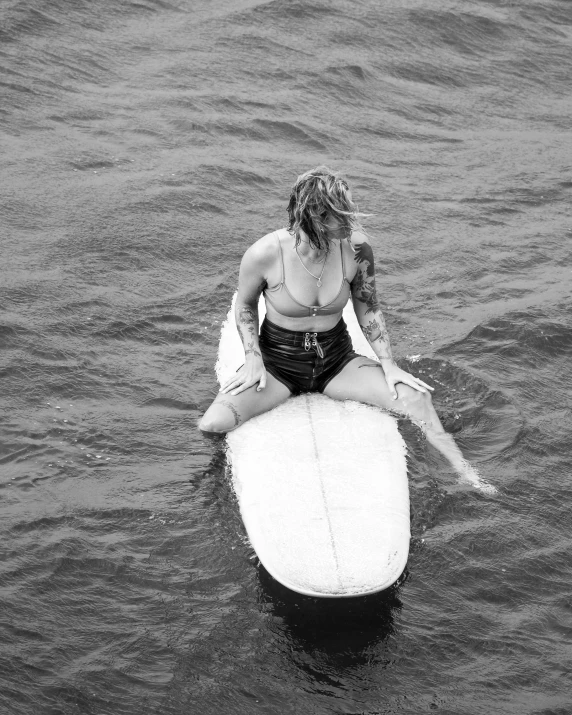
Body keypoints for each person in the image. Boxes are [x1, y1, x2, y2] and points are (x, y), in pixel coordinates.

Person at [199, 166, 495, 493]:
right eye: (343, 213)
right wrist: (253, 359)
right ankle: (223, 485)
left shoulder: (357, 249)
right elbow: (244, 306)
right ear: (315, 215)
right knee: (214, 424)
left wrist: (388, 364)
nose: (351, 219)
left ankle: (464, 472)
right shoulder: (264, 254)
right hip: (278, 365)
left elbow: (367, 306)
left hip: (336, 363)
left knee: (418, 398)